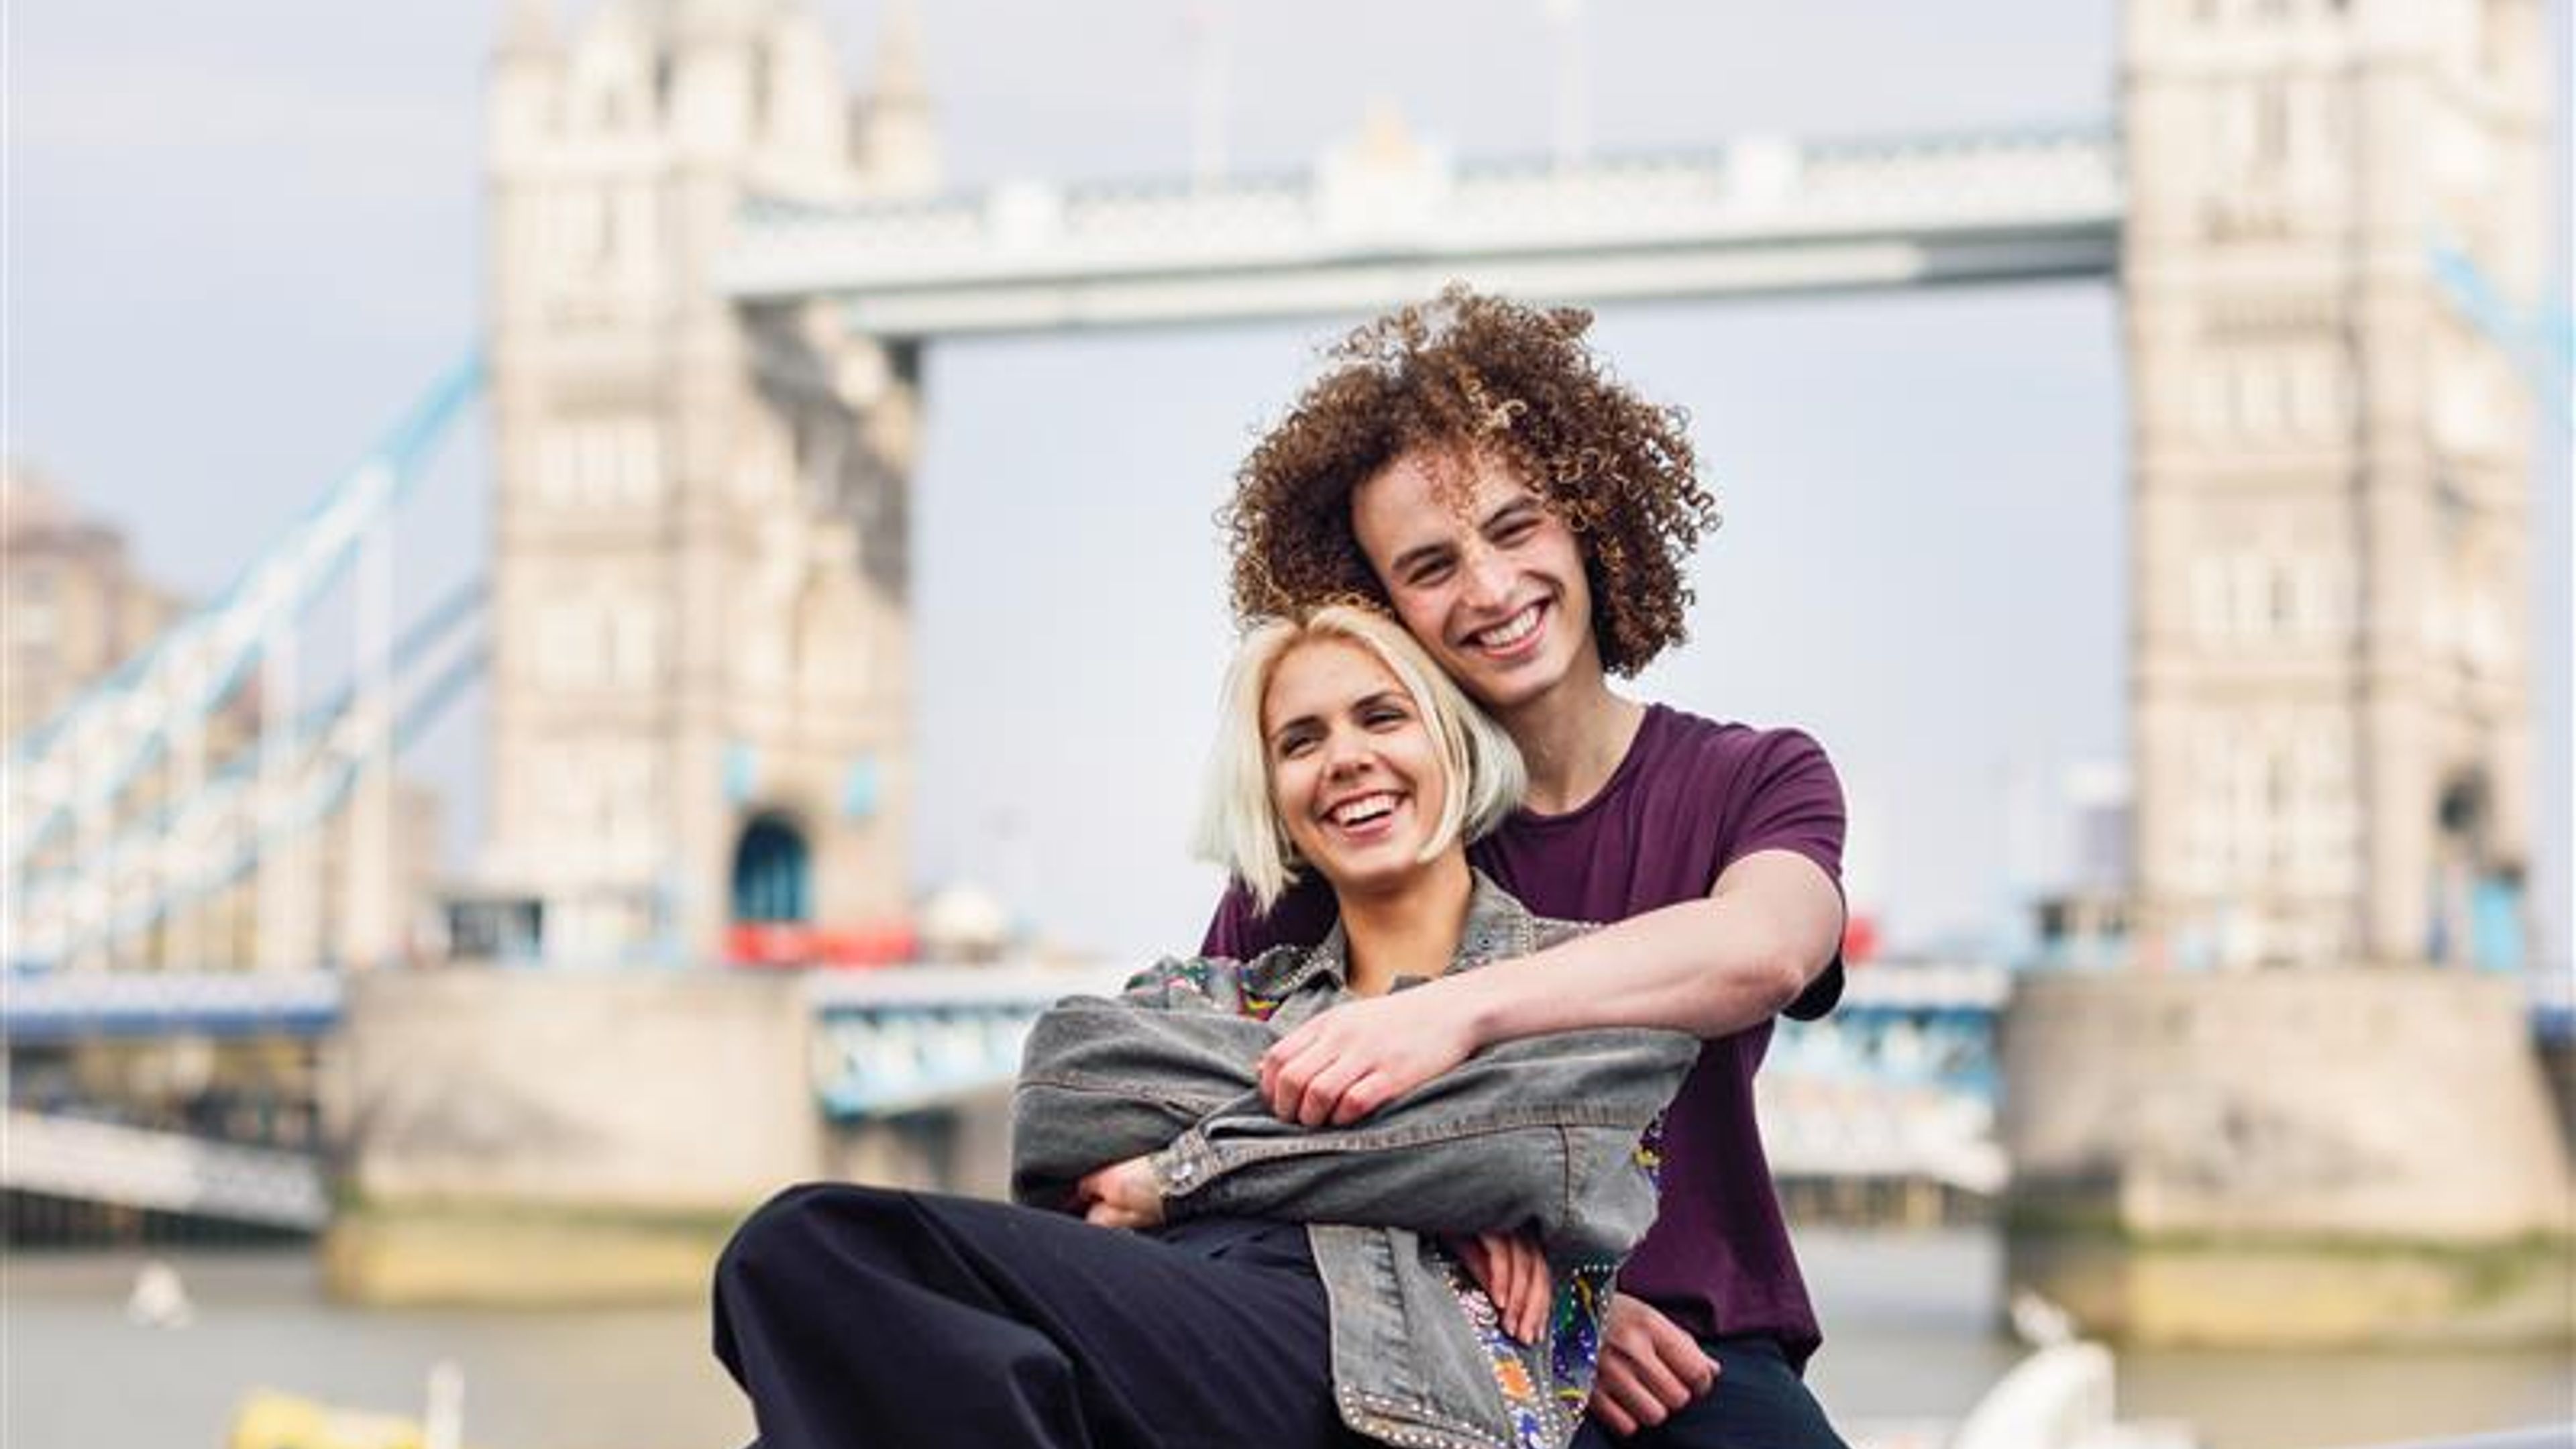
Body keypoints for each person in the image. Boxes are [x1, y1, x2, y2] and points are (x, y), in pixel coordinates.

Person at [713, 604, 1699, 1449]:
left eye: (1382, 718)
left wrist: (1175, 1175)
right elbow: (1066, 1094)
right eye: (1300, 741)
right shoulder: (1212, 987)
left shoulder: (1575, 973)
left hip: (1400, 1370)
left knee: (812, 1244)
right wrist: (1429, 1168)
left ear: (1453, 742)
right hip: (1180, 1317)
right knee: (837, 1316)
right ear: (1272, 794)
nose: (1346, 758)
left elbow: (1544, 1156)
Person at [1208, 286, 1852, 1449]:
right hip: (1412, 1335)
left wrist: (1449, 1020)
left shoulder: (1752, 779)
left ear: (1591, 522)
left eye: (1517, 530)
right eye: (1431, 565)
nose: (1492, 590)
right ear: (1379, 605)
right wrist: (1533, 1303)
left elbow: (1764, 948)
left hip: (1694, 1372)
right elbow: (1217, 1126)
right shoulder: (1355, 827)